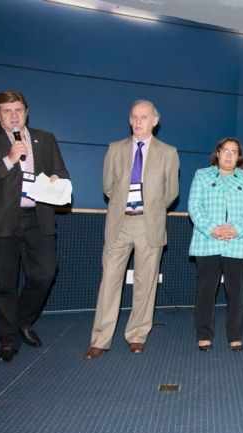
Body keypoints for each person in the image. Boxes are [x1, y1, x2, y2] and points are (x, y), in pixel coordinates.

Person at [0, 91, 70, 363]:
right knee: (4, 284)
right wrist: (8, 160)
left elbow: (61, 171)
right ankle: (8, 340)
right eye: (7, 111)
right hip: (2, 222)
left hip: (38, 218)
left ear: (26, 112)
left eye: (19, 110)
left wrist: (57, 178)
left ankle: (22, 320)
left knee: (45, 274)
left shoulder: (45, 138)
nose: (14, 116)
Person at [83, 100, 180, 359]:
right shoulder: (115, 149)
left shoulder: (168, 152)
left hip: (150, 223)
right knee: (109, 282)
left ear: (154, 122)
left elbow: (171, 192)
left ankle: (137, 336)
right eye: (134, 116)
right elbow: (108, 187)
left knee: (145, 283)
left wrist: (151, 208)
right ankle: (100, 339)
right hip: (120, 222)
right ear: (129, 120)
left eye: (144, 117)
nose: (138, 121)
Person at [189, 138, 243, 352]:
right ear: (218, 153)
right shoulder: (202, 175)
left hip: (238, 242)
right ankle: (204, 335)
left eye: (234, 152)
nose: (229, 155)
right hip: (208, 242)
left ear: (239, 157)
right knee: (205, 292)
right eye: (225, 150)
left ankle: (235, 335)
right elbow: (194, 206)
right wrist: (212, 228)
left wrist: (237, 229)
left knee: (236, 293)